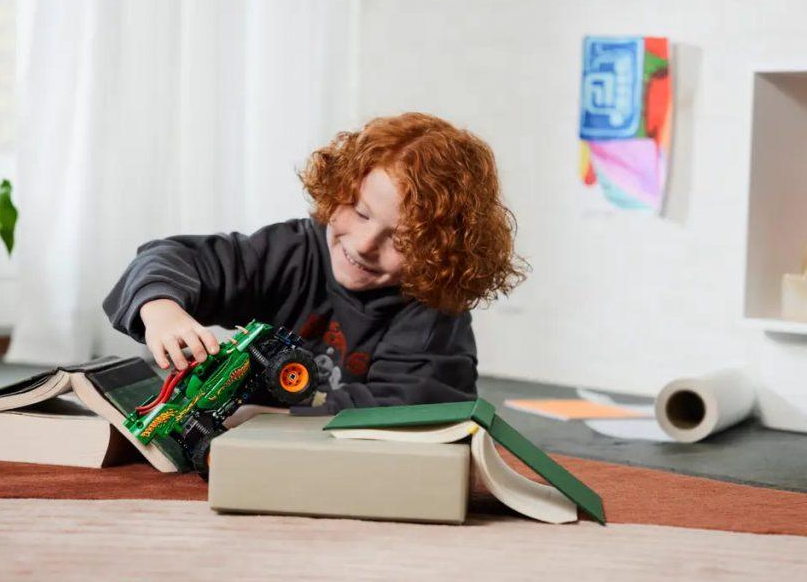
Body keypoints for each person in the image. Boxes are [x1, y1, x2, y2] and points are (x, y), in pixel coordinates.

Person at [103, 112, 526, 415]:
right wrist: (161, 310)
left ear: (441, 253)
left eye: (400, 239)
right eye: (360, 213)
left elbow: (405, 408)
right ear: (337, 190)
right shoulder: (291, 252)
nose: (363, 244)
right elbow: (172, 259)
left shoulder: (432, 312)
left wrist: (263, 420)